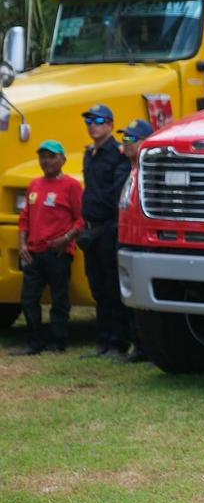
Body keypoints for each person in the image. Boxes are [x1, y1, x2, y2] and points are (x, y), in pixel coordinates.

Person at [12, 140, 82, 356]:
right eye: (43, 157)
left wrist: (66, 239)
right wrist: (22, 244)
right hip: (34, 252)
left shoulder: (72, 186)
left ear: (62, 159)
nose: (47, 161)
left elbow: (81, 219)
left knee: (59, 299)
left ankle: (59, 341)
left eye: (52, 156)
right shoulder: (34, 185)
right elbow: (24, 218)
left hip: (58, 252)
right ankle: (35, 341)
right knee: (29, 299)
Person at [79, 103, 131, 359]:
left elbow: (116, 194)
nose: (93, 125)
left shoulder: (117, 153)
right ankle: (103, 341)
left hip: (109, 227)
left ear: (110, 124)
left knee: (112, 287)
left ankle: (118, 342)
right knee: (97, 287)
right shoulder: (89, 154)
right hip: (91, 228)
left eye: (98, 121)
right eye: (89, 121)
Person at [118, 118, 154, 363]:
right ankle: (137, 345)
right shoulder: (125, 170)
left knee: (145, 299)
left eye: (132, 138)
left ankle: (150, 347)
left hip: (144, 242)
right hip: (123, 238)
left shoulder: (151, 173)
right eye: (125, 138)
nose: (127, 143)